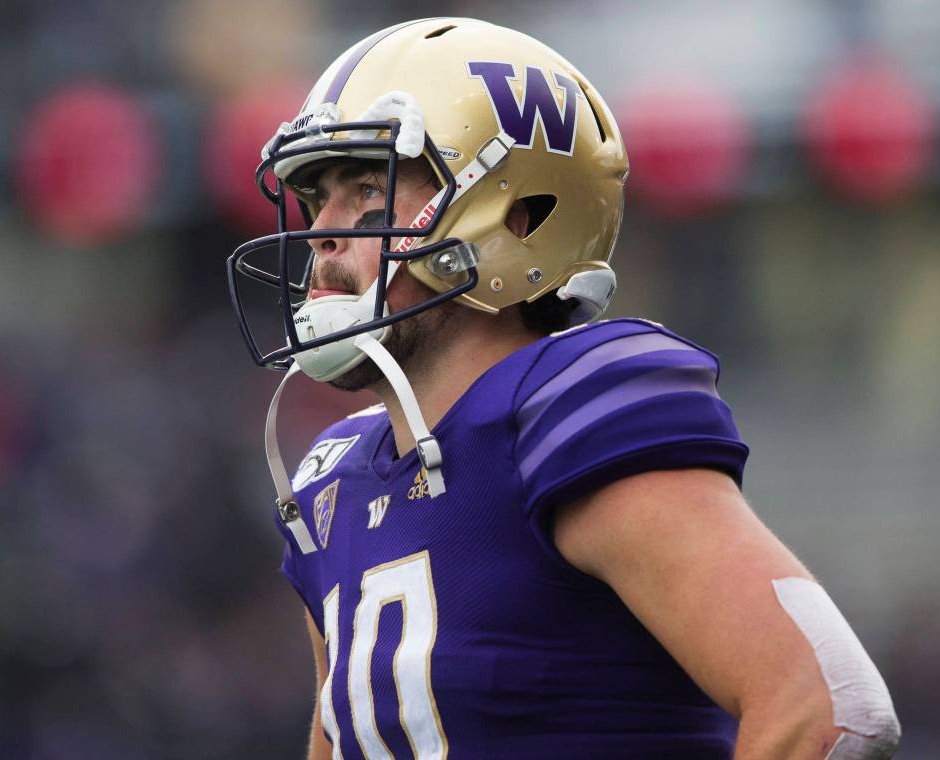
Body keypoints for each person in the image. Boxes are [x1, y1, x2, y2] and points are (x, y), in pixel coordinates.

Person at [226, 17, 901, 760]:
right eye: (318, 195)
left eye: (366, 190)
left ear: (517, 216)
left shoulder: (567, 410)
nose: (323, 231)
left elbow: (828, 705)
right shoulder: (333, 478)